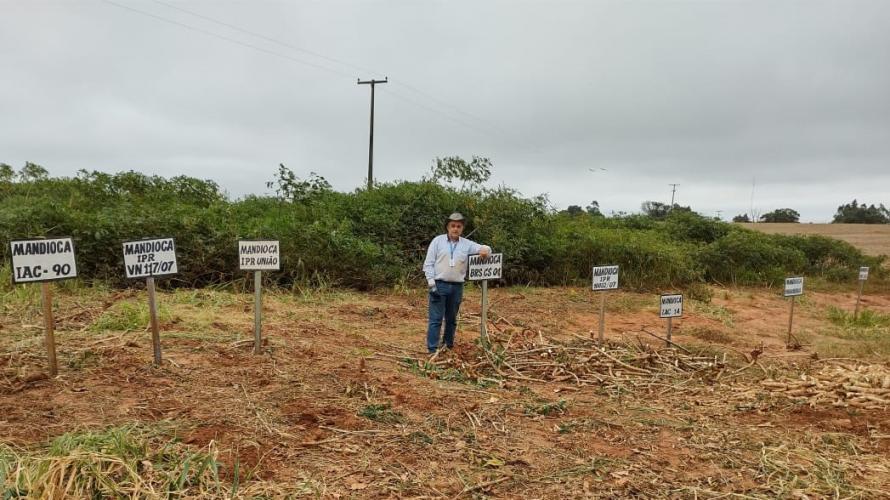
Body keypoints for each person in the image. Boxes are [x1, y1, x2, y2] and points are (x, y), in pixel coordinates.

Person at [422, 212, 491, 354]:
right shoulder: (437, 241)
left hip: (457, 287)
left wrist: (485, 251)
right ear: (448, 227)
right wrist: (431, 283)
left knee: (451, 319)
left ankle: (448, 346)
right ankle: (432, 349)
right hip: (439, 285)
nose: (455, 229)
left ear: (462, 228)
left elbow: (485, 248)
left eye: (458, 226)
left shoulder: (466, 244)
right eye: (453, 226)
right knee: (436, 319)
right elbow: (428, 263)